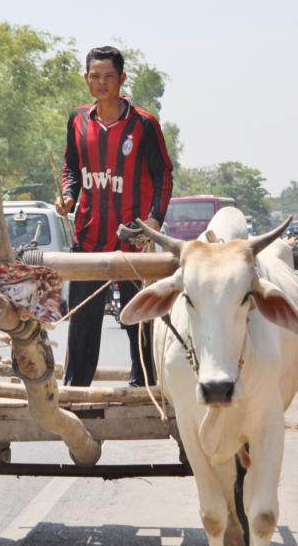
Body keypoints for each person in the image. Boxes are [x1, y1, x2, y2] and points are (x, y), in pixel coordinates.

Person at [55, 45, 174, 387]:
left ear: (122, 79)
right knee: (82, 319)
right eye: (95, 76)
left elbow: (163, 173)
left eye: (109, 76)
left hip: (132, 240)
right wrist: (68, 195)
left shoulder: (144, 124)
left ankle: (145, 386)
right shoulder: (77, 120)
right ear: (86, 79)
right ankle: (77, 389)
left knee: (138, 317)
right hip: (89, 238)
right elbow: (72, 168)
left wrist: (153, 221)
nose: (102, 83)